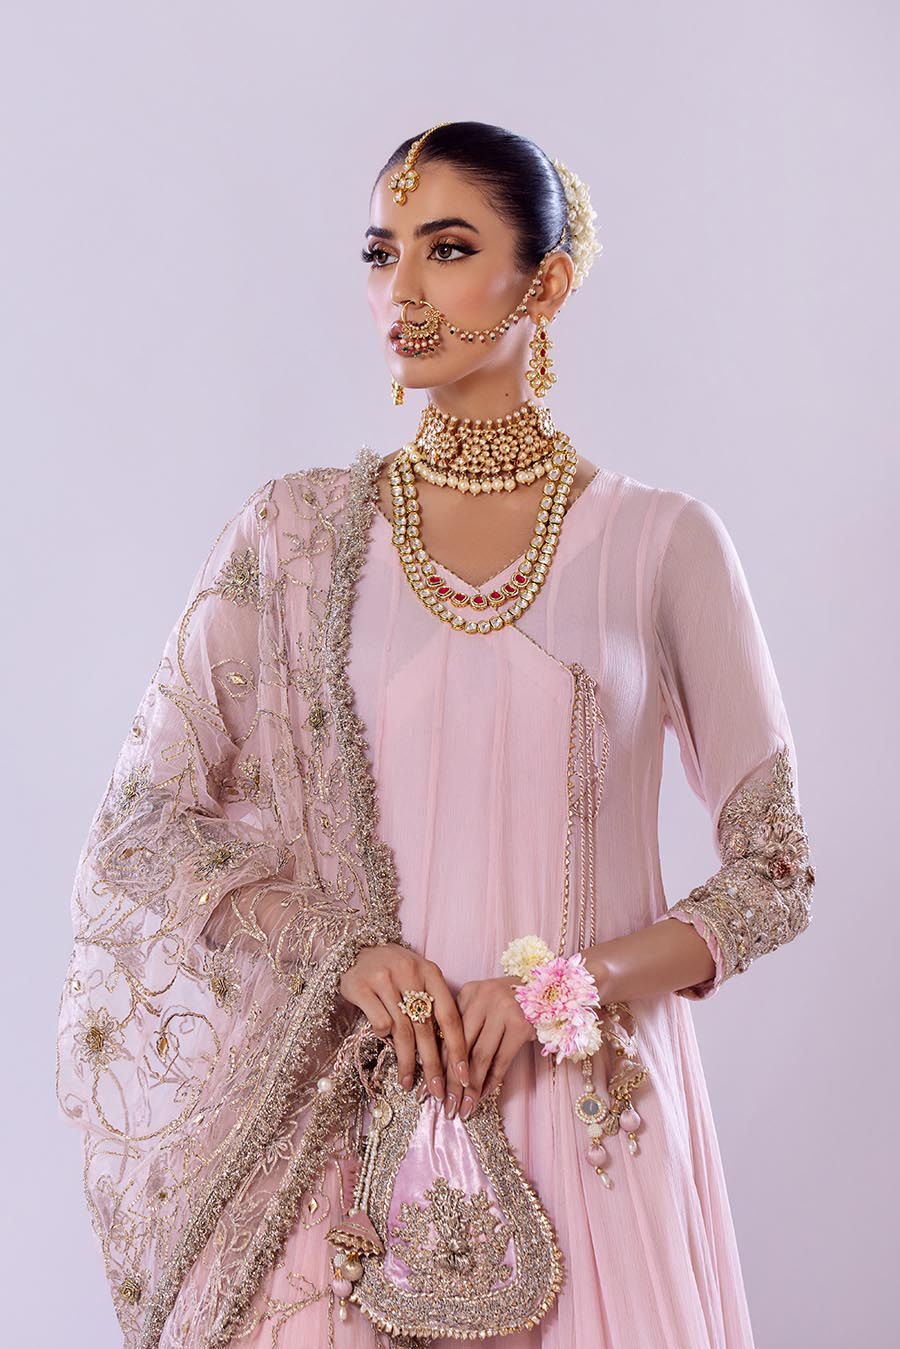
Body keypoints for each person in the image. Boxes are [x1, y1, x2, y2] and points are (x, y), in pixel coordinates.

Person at [55, 121, 816, 1349]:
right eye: (381, 252)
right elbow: (149, 823)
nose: (400, 290)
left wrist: (565, 986)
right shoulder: (297, 537)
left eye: (447, 249)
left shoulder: (661, 542)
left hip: (592, 1122)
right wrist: (341, 950)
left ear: (545, 282)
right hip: (356, 1126)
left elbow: (774, 875)